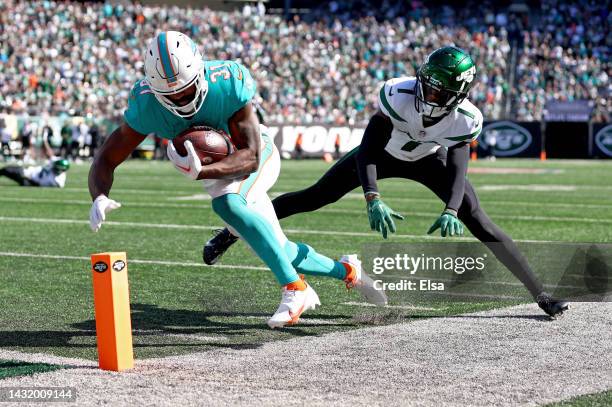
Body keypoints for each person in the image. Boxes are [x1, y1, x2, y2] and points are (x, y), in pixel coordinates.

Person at [204, 46, 569, 318]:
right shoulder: (398, 93)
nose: (429, 94)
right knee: (313, 197)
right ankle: (230, 232)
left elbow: (459, 162)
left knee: (479, 219)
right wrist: (372, 197)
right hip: (382, 153)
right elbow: (368, 149)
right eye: (428, 84)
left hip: (429, 160)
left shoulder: (466, 119)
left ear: (459, 95)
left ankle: (540, 294)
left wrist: (452, 209)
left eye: (440, 91)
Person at [87, 31, 386, 329]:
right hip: (215, 172)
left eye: (186, 90)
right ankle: (348, 270)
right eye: (170, 95)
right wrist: (99, 195)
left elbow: (252, 155)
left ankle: (296, 289)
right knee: (278, 249)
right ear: (155, 92)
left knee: (228, 204)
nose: (180, 98)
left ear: (201, 74)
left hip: (255, 153)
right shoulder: (146, 105)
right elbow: (106, 157)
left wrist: (203, 172)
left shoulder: (227, 82)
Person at [0, 158, 70, 187]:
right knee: (5, 170)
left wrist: (29, 178)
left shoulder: (57, 181)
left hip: (29, 179)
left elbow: (39, 183)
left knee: (6, 170)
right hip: (28, 172)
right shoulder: (54, 167)